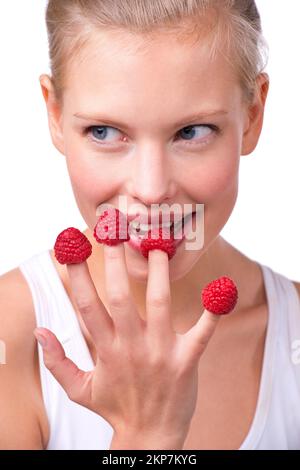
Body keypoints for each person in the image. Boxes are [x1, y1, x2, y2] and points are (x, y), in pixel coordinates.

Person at [0, 0, 299, 450]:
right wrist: (147, 435)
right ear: (56, 116)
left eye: (193, 131)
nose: (151, 188)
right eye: (104, 132)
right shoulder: (10, 335)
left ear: (253, 115)